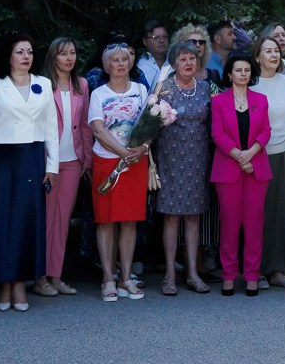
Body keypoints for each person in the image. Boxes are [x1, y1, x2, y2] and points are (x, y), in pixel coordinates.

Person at [0, 34, 58, 312]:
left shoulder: (43, 84)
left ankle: (21, 283)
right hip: (2, 160)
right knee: (3, 223)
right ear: (8, 56)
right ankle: (5, 284)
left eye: (30, 51)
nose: (26, 56)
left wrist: (52, 166)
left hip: (33, 159)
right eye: (20, 51)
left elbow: (51, 129)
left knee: (26, 223)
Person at [88, 42, 149, 301]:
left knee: (129, 220)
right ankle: (107, 279)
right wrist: (122, 152)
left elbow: (152, 121)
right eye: (115, 60)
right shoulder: (98, 94)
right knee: (105, 221)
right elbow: (98, 130)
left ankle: (126, 278)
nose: (121, 64)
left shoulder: (141, 89)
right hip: (107, 161)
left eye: (125, 59)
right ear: (107, 65)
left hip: (136, 162)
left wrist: (143, 146)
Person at [153, 39, 213, 296]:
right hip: (170, 158)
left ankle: (192, 273)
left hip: (197, 159)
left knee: (193, 216)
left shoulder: (206, 88)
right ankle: (169, 274)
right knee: (171, 216)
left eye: (192, 58)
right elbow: (149, 124)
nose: (188, 63)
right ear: (174, 63)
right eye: (183, 59)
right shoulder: (163, 89)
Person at [34, 37, 92, 297]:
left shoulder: (82, 85)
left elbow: (87, 124)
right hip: (48, 161)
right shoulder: (42, 84)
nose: (69, 58)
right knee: (45, 219)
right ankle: (39, 277)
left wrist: (87, 159)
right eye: (63, 53)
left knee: (63, 221)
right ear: (52, 57)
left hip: (73, 161)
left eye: (72, 52)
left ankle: (56, 276)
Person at [210, 52, 271, 296]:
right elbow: (218, 134)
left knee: (254, 225)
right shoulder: (218, 101)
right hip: (229, 170)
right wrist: (240, 156)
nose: (243, 74)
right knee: (230, 224)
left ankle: (252, 275)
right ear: (229, 74)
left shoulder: (261, 99)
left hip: (257, 169)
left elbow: (266, 131)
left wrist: (250, 154)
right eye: (238, 70)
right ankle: (228, 275)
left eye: (247, 70)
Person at [250, 33, 285, 287]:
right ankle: (255, 270)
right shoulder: (250, 84)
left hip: (284, 153)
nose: (273, 54)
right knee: (258, 214)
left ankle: (280, 270)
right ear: (257, 56)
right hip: (256, 157)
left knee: (282, 213)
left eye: (276, 50)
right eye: (267, 50)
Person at [137, 21, 169, 91]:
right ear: (145, 42)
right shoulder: (139, 66)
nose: (162, 40)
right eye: (156, 37)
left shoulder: (175, 62)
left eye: (164, 37)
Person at [207, 20, 236, 86]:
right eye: (230, 34)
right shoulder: (206, 63)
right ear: (217, 39)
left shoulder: (236, 61)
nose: (234, 37)